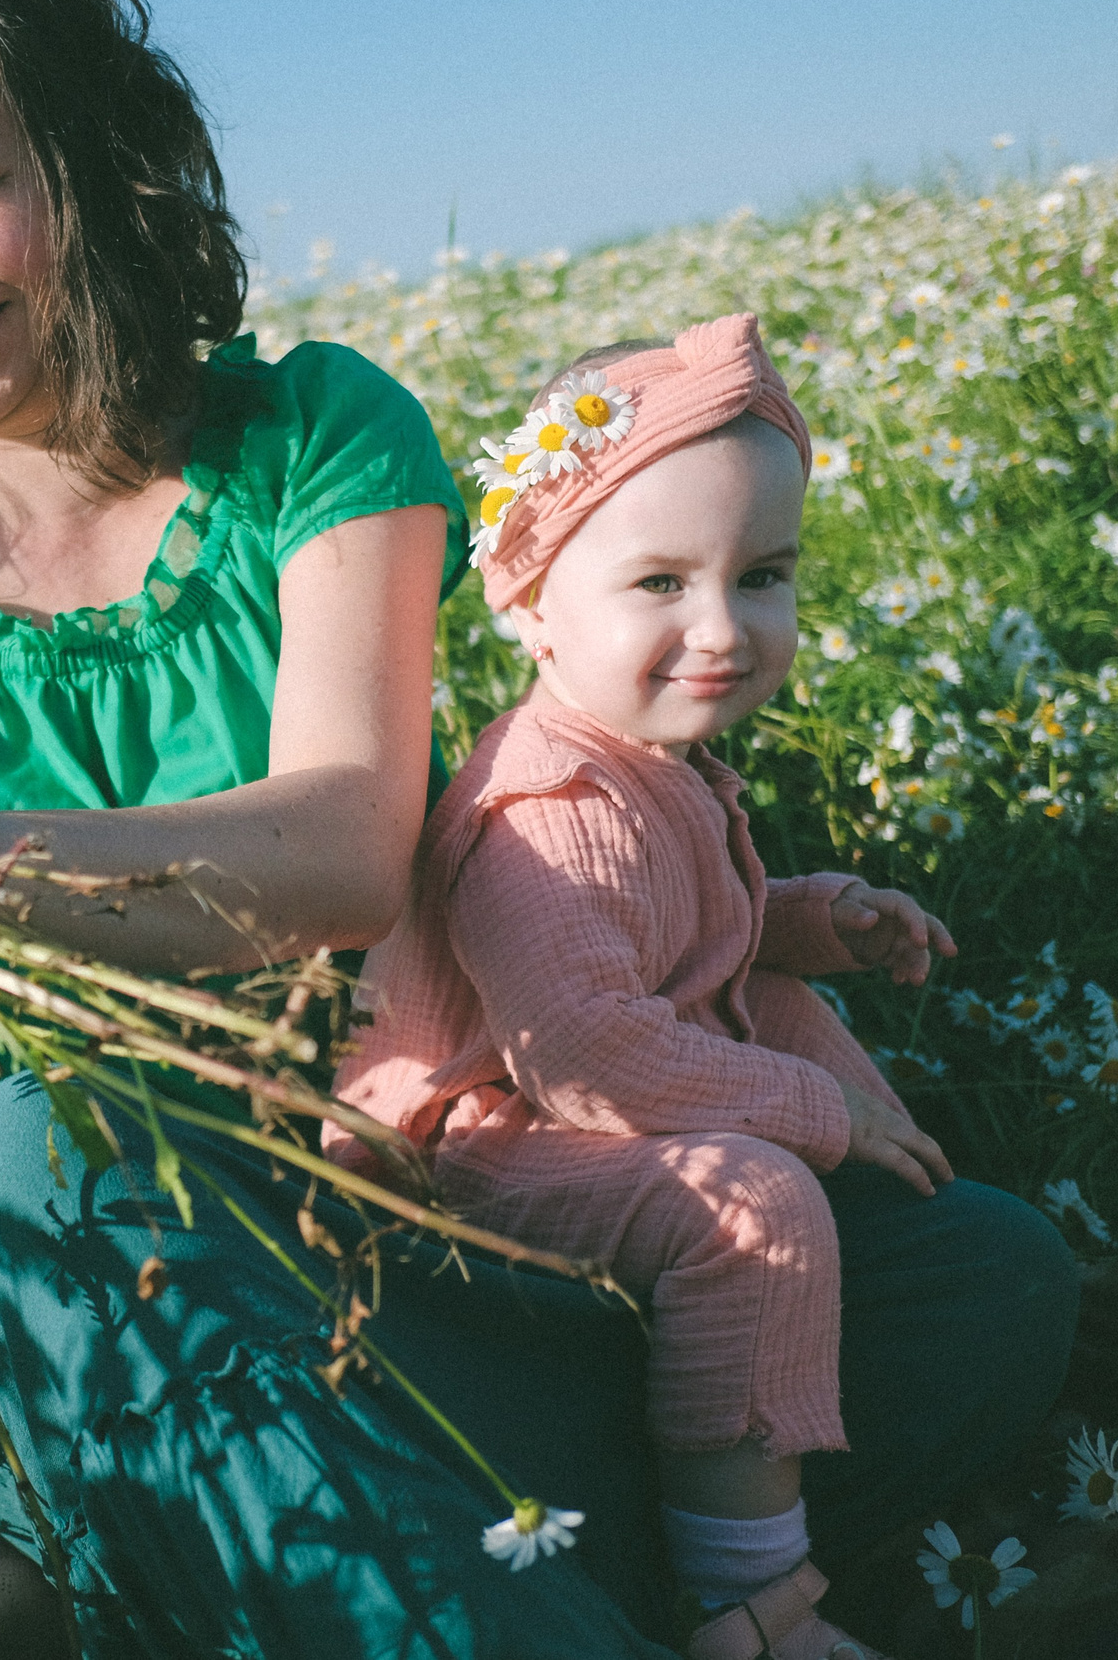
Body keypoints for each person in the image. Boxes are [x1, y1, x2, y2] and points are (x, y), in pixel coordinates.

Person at [0, 0, 1080, 1654]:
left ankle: (172, 1569)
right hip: (42, 1275)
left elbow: (340, 851)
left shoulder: (313, 441)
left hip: (392, 1227)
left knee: (979, 1279)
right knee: (39, 1157)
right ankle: (421, 1575)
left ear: (97, 164)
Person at [337, 314, 1030, 1660]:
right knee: (750, 1204)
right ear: (529, 600)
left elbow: (680, 933)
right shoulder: (550, 806)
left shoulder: (648, 758)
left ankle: (856, 1275)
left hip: (567, 1112)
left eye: (762, 576)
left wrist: (815, 922)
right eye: (659, 581)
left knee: (786, 1018)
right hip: (466, 1162)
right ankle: (745, 1603)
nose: (721, 628)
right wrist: (815, 1116)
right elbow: (586, 1049)